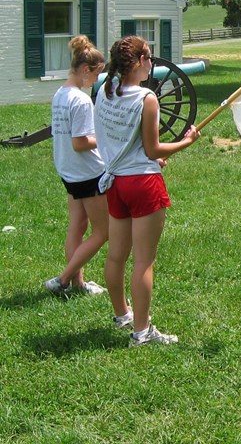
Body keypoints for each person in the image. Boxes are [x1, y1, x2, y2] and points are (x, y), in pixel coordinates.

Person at [94, 35, 200, 346]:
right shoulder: (146, 98)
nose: (151, 65)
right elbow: (153, 149)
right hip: (142, 184)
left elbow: (126, 141)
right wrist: (186, 141)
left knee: (116, 256)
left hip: (115, 182)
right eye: (149, 58)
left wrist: (145, 156)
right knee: (143, 261)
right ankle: (141, 332)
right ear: (139, 62)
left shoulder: (105, 91)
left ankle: (122, 314)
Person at [45, 35, 109, 297]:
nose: (95, 81)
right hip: (88, 174)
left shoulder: (61, 94)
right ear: (85, 70)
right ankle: (62, 280)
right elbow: (81, 143)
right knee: (103, 231)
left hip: (68, 171)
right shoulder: (81, 100)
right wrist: (105, 138)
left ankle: (78, 284)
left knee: (78, 226)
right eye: (95, 76)